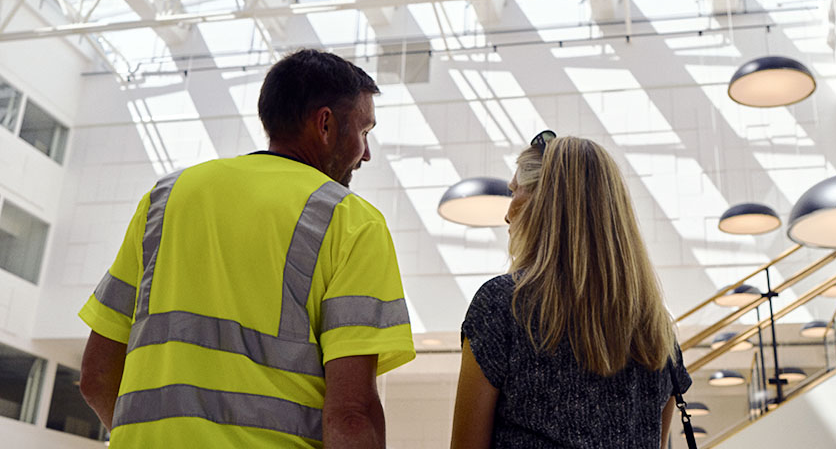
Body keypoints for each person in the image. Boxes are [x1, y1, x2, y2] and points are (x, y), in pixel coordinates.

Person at [78, 49, 415, 448]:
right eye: (364, 132)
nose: (366, 153)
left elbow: (96, 376)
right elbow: (350, 413)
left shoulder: (166, 199)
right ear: (325, 124)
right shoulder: (350, 221)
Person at [451, 133, 691, 449]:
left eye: (514, 192)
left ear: (543, 203)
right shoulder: (656, 328)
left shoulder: (503, 305)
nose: (508, 213)